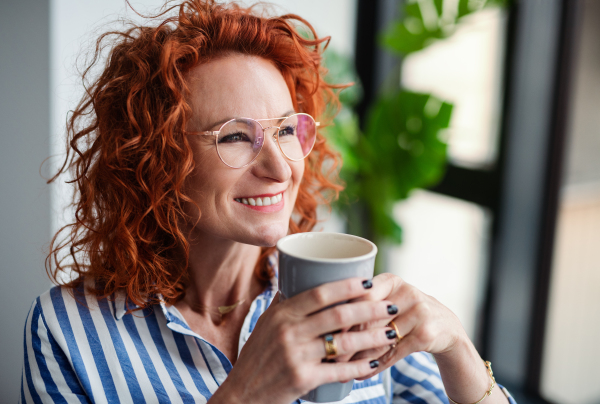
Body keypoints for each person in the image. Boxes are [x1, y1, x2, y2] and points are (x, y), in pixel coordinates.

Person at [20, 1, 517, 403]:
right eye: (235, 137)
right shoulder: (69, 333)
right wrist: (246, 395)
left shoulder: (346, 295)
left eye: (285, 129)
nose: (281, 168)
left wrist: (456, 348)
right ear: (156, 159)